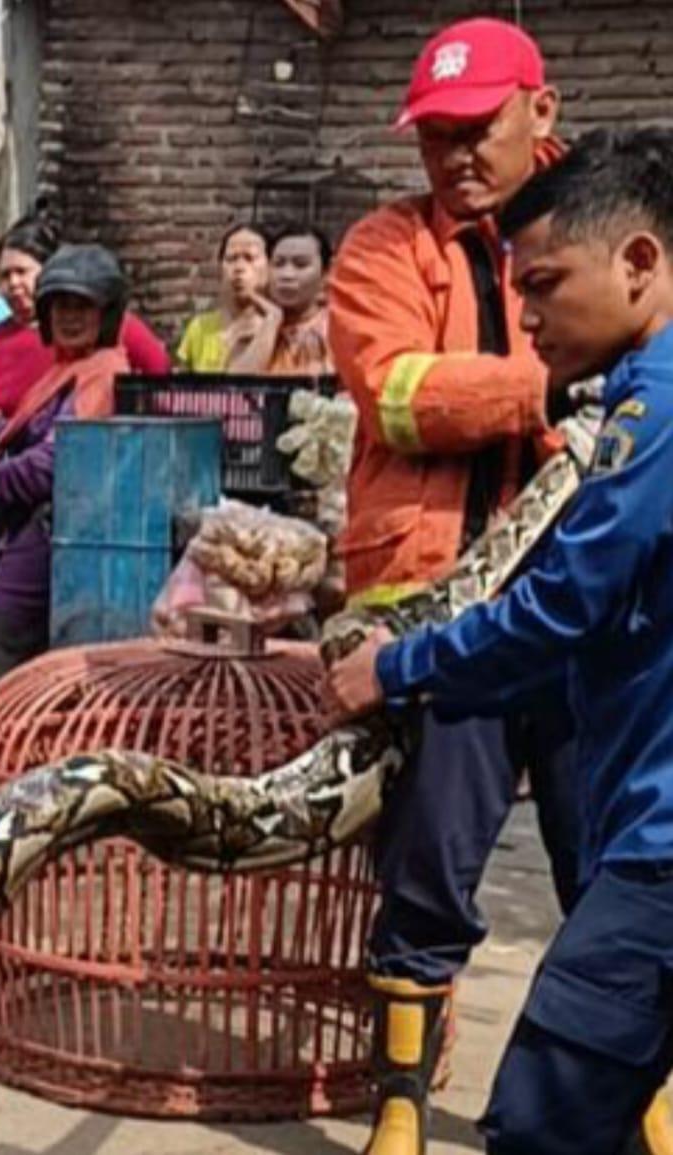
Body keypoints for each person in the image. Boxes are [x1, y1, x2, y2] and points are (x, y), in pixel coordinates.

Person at [325, 19, 667, 1155]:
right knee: (430, 864)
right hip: (444, 600)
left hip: (573, 617)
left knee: (605, 858)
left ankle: (637, 1094)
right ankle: (400, 1102)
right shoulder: (384, 247)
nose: (456, 156)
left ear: (542, 114)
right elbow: (400, 394)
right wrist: (554, 382)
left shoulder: (616, 247)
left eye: (476, 130)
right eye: (434, 138)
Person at [0, 245, 130, 692]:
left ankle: (0, 733)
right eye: (59, 306)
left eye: (82, 306)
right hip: (47, 517)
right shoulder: (70, 367)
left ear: (106, 314)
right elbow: (34, 429)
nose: (69, 316)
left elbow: (55, 460)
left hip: (65, 523)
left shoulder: (101, 374)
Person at [0, 216, 170, 417]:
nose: (13, 283)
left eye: (21, 271)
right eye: (5, 275)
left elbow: (158, 374)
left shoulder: (110, 326)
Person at [229, 225, 335, 376]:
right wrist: (271, 320)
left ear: (325, 274)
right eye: (278, 264)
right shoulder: (250, 329)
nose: (287, 275)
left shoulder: (338, 330)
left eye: (300, 265)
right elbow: (235, 390)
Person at [174, 223, 272, 372]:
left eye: (249, 258)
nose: (239, 267)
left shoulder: (276, 330)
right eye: (231, 259)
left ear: (270, 267)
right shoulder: (200, 328)